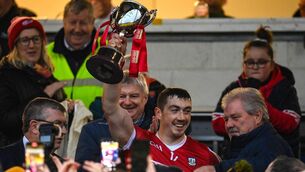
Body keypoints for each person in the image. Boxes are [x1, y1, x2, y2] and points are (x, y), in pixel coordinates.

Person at [211, 26, 302, 157]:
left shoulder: (285, 88)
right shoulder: (233, 88)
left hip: (278, 157)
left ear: (272, 65)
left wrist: (258, 100)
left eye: (261, 62)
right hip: (239, 155)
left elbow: (290, 123)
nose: (255, 67)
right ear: (243, 65)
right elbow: (217, 122)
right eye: (250, 62)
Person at [103, 77, 221, 172]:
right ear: (158, 113)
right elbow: (111, 109)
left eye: (187, 111)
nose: (182, 117)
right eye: (174, 110)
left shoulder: (206, 155)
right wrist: (113, 66)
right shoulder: (138, 140)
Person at [0, 17, 66, 147]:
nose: (31, 45)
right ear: (15, 45)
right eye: (25, 40)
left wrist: (67, 106)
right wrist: (44, 95)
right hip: (15, 153)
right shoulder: (5, 75)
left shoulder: (44, 74)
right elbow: (6, 122)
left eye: (36, 39)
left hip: (45, 148)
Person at [198, 88, 294, 172]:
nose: (228, 125)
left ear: (257, 116)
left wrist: (218, 169)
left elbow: (264, 164)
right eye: (226, 119)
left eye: (235, 117)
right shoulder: (242, 142)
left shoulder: (273, 145)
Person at [75, 71, 154, 165]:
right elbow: (83, 168)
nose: (127, 102)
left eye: (134, 96)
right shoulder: (92, 130)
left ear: (145, 98)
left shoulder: (158, 129)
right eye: (121, 96)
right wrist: (114, 151)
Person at [46, 0, 103, 108]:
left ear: (92, 22)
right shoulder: (45, 55)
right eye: (72, 22)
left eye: (83, 23)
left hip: (98, 123)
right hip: (56, 124)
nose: (77, 29)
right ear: (64, 22)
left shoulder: (107, 53)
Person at [0, 97, 67, 171]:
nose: (64, 131)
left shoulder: (63, 166)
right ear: (34, 127)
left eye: (65, 126)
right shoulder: (2, 158)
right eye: (57, 124)